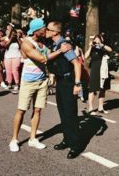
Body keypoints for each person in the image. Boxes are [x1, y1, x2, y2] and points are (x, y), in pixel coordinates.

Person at [8, 19, 70, 153]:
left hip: (42, 81)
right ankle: (14, 139)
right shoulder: (26, 43)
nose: (46, 30)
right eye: (44, 28)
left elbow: (47, 54)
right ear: (37, 30)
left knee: (37, 110)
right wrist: (60, 51)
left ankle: (33, 138)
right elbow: (43, 58)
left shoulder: (42, 43)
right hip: (28, 82)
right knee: (21, 110)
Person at [46, 21, 82, 159]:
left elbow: (76, 64)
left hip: (68, 83)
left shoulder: (64, 45)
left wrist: (77, 84)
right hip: (61, 82)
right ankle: (67, 139)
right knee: (63, 113)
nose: (46, 31)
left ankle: (75, 145)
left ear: (55, 32)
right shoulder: (56, 45)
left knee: (70, 115)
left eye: (49, 29)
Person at [85, 34, 112, 115]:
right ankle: (90, 108)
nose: (96, 41)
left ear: (101, 40)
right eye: (95, 40)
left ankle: (101, 107)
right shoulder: (92, 48)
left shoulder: (103, 47)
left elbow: (110, 50)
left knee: (103, 89)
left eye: (98, 39)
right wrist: (90, 47)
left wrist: (101, 45)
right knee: (92, 89)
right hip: (95, 70)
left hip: (103, 70)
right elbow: (86, 56)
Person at [1, 26, 22, 93]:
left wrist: (18, 38)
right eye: (12, 34)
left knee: (15, 70)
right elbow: (6, 46)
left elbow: (21, 46)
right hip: (7, 57)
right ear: (10, 34)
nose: (13, 35)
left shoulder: (18, 40)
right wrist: (10, 39)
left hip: (17, 56)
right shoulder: (7, 39)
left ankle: (17, 84)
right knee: (8, 71)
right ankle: (9, 84)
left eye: (14, 34)